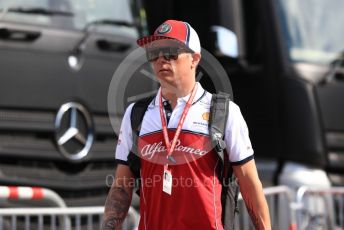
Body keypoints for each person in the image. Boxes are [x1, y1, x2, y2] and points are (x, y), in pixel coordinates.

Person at [102, 19, 271, 230]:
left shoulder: (224, 112)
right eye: (154, 53)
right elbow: (121, 187)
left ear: (194, 59)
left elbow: (250, 185)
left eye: (171, 52)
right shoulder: (136, 114)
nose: (161, 60)